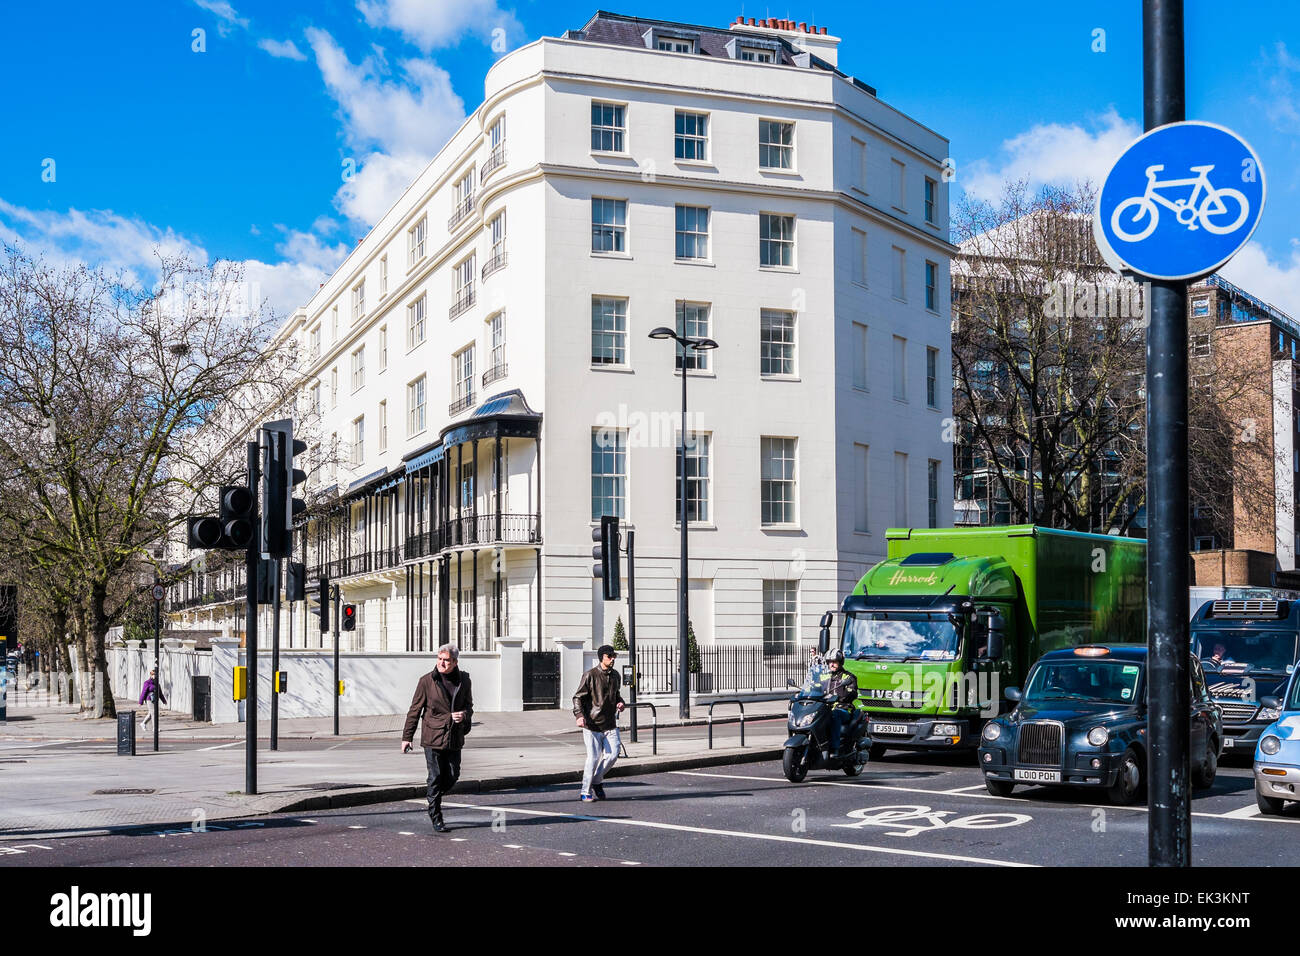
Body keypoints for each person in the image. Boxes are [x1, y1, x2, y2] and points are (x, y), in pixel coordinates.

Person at [401, 644, 473, 833]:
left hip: (454, 737)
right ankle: (436, 816)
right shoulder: (427, 681)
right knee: (435, 777)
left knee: (453, 775)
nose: (442, 663)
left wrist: (463, 715)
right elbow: (414, 710)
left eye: (446, 660)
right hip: (432, 736)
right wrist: (407, 737)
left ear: (455, 662)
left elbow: (469, 706)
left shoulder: (464, 680)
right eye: (440, 659)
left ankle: (432, 796)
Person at [573, 644, 625, 801]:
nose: (613, 658)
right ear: (602, 657)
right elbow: (578, 697)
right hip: (592, 724)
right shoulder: (590, 675)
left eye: (614, 656)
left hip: (610, 723)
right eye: (610, 656)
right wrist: (579, 715)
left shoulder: (616, 675)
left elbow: (616, 695)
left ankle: (596, 781)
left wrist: (620, 702)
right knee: (593, 758)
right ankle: (585, 791)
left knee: (613, 754)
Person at [824, 649, 859, 755]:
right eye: (830, 662)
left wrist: (840, 696)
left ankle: (835, 748)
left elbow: (851, 693)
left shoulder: (848, 677)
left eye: (835, 661)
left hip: (843, 709)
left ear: (840, 662)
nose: (832, 664)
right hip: (825, 708)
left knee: (835, 715)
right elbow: (813, 687)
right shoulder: (824, 676)